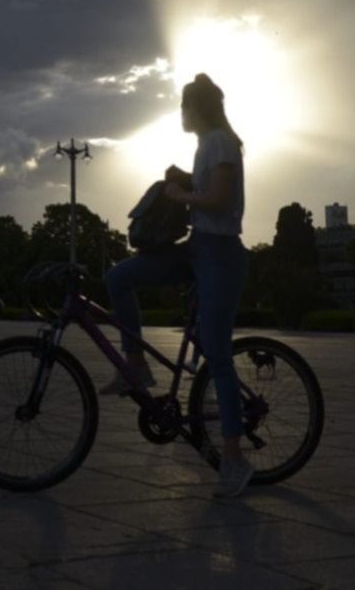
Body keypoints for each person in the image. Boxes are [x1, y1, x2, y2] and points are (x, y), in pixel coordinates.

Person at [101, 72, 254, 499]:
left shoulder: (221, 142)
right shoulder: (207, 144)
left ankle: (234, 459)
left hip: (221, 255)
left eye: (183, 106)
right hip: (198, 249)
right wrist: (185, 183)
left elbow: (221, 199)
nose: (180, 113)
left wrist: (181, 196)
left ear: (197, 108)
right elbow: (209, 191)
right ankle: (136, 364)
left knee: (218, 355)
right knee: (120, 276)